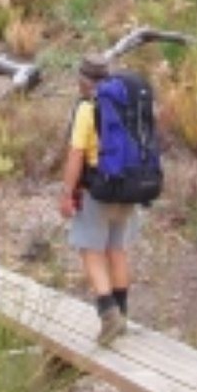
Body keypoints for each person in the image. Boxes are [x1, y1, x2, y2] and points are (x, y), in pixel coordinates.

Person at [58, 54, 141, 346]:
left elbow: (76, 154)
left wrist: (67, 193)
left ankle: (109, 315)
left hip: (98, 190)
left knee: (90, 251)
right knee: (117, 250)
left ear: (83, 80)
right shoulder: (129, 101)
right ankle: (122, 313)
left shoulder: (87, 108)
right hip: (130, 188)